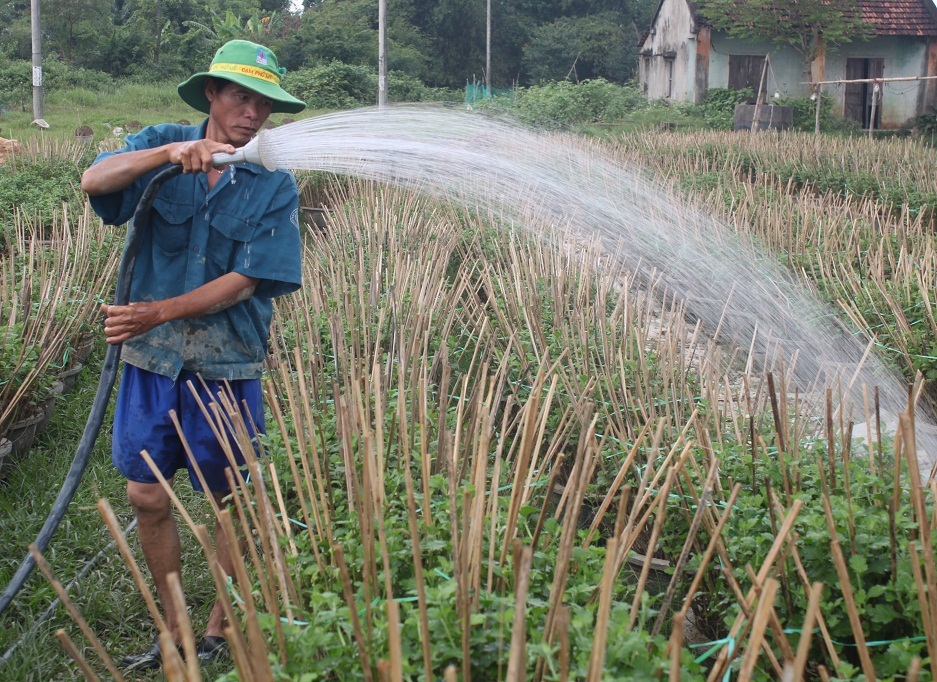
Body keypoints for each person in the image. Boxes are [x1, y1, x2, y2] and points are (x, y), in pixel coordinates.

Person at [81, 39, 306, 670]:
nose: (253, 114)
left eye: (264, 105)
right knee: (147, 495)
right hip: (152, 361)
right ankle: (174, 626)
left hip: (226, 362)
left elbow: (248, 279)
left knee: (231, 497)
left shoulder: (273, 184)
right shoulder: (161, 144)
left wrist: (159, 310)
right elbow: (94, 180)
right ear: (211, 93)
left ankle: (218, 625)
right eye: (241, 97)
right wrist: (170, 153)